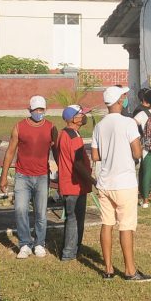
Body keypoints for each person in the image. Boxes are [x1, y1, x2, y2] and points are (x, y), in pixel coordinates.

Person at [91, 85, 151, 282]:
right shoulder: (128, 123)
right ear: (119, 101)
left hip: (104, 182)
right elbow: (137, 153)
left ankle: (108, 269)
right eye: (124, 97)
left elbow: (95, 155)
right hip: (124, 182)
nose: (126, 99)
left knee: (107, 224)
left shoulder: (99, 126)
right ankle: (129, 271)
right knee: (126, 226)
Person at [0, 95, 57, 259]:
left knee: (41, 213)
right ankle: (25, 243)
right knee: (20, 210)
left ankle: (39, 243)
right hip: (22, 176)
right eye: (36, 110)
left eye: (41, 110)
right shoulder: (19, 127)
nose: (39, 112)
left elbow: (56, 150)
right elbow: (10, 151)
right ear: (29, 110)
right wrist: (4, 177)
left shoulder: (51, 127)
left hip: (42, 176)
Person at [56, 104, 94, 261]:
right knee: (74, 219)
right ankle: (69, 253)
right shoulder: (73, 137)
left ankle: (72, 250)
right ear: (72, 118)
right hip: (75, 186)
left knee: (72, 218)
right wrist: (92, 180)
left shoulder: (64, 134)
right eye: (81, 114)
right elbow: (77, 163)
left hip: (69, 184)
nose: (84, 117)